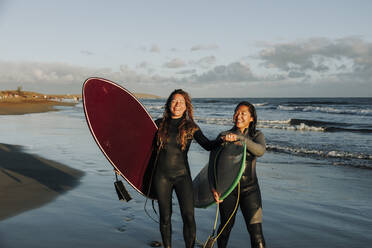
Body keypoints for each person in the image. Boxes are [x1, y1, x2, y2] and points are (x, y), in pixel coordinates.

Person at [153, 89, 222, 248]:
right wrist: (123, 165)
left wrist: (223, 139)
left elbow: (207, 145)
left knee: (189, 216)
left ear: (186, 106)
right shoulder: (158, 124)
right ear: (168, 104)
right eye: (174, 101)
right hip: (161, 177)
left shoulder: (191, 127)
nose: (177, 105)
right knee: (165, 217)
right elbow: (142, 147)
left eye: (181, 102)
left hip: (182, 176)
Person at [213, 101, 266, 248]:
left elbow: (260, 151)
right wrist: (214, 188)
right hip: (228, 191)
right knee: (225, 228)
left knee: (256, 233)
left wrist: (240, 139)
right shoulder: (224, 136)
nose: (239, 116)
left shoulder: (257, 135)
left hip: (250, 190)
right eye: (237, 112)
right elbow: (213, 164)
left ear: (251, 118)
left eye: (243, 113)